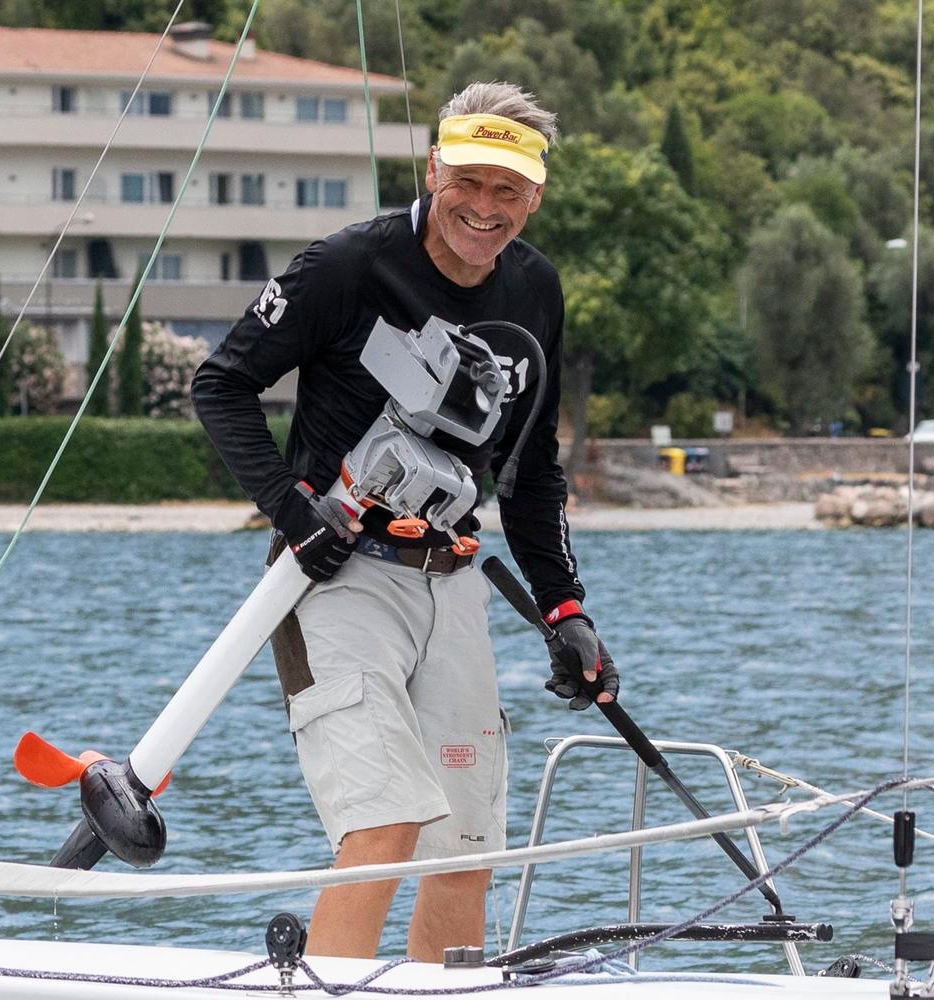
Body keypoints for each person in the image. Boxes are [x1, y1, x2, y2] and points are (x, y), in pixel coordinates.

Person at [192, 82, 618, 961]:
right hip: (332, 579)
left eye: (507, 190)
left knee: (465, 848)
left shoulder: (536, 287)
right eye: (467, 181)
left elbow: (531, 470)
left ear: (535, 197)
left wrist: (564, 609)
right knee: (383, 823)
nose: (484, 207)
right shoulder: (347, 264)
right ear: (432, 171)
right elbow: (220, 384)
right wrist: (292, 510)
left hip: (452, 581)